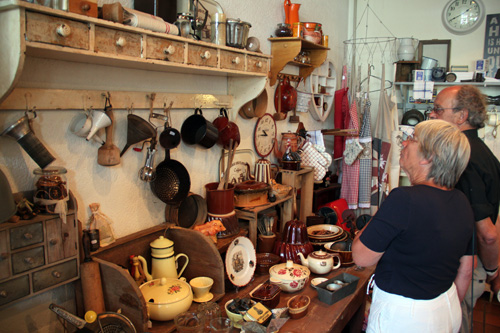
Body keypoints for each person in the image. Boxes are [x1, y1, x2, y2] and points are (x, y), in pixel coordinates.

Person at [353, 120, 475, 333]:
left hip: (406, 317)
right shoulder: (461, 201)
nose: (405, 143)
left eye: (412, 138)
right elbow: (466, 269)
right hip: (446, 305)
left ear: (429, 157)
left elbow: (361, 257)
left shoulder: (405, 199)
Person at [429, 85, 500, 332]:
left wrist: (493, 269)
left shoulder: (465, 158)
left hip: (464, 266)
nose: (431, 114)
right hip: (463, 262)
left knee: (456, 324)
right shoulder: (485, 154)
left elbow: (488, 232)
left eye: (438, 109)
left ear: (462, 116)